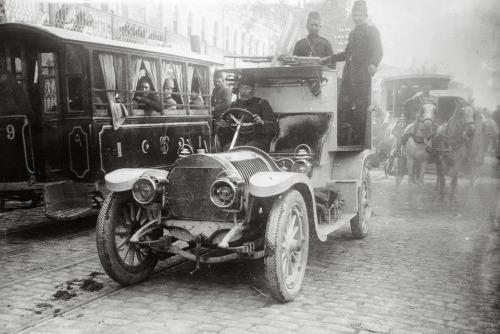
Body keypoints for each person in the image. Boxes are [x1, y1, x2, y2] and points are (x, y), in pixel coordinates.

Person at [320, 0, 383, 145]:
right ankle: (342, 142)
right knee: (342, 109)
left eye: (360, 15)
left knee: (360, 112)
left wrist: (373, 64)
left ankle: (357, 144)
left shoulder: (372, 31)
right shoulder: (353, 33)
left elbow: (378, 50)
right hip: (348, 78)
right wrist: (330, 58)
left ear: (365, 15)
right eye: (355, 15)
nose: (357, 17)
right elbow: (347, 53)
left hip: (362, 79)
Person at [218, 72, 278, 151]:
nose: (243, 92)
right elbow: (226, 128)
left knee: (246, 150)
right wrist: (225, 126)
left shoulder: (262, 103)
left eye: (247, 88)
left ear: (253, 90)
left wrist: (262, 122)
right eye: (241, 88)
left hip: (258, 140)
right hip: (239, 139)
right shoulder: (234, 104)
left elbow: (274, 127)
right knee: (228, 149)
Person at [394, 85, 437, 153]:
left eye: (428, 89)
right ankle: (398, 150)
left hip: (431, 121)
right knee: (406, 132)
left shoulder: (433, 99)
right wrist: (418, 115)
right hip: (419, 120)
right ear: (423, 89)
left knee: (439, 133)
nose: (426, 90)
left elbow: (436, 111)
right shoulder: (418, 98)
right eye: (425, 88)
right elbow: (413, 110)